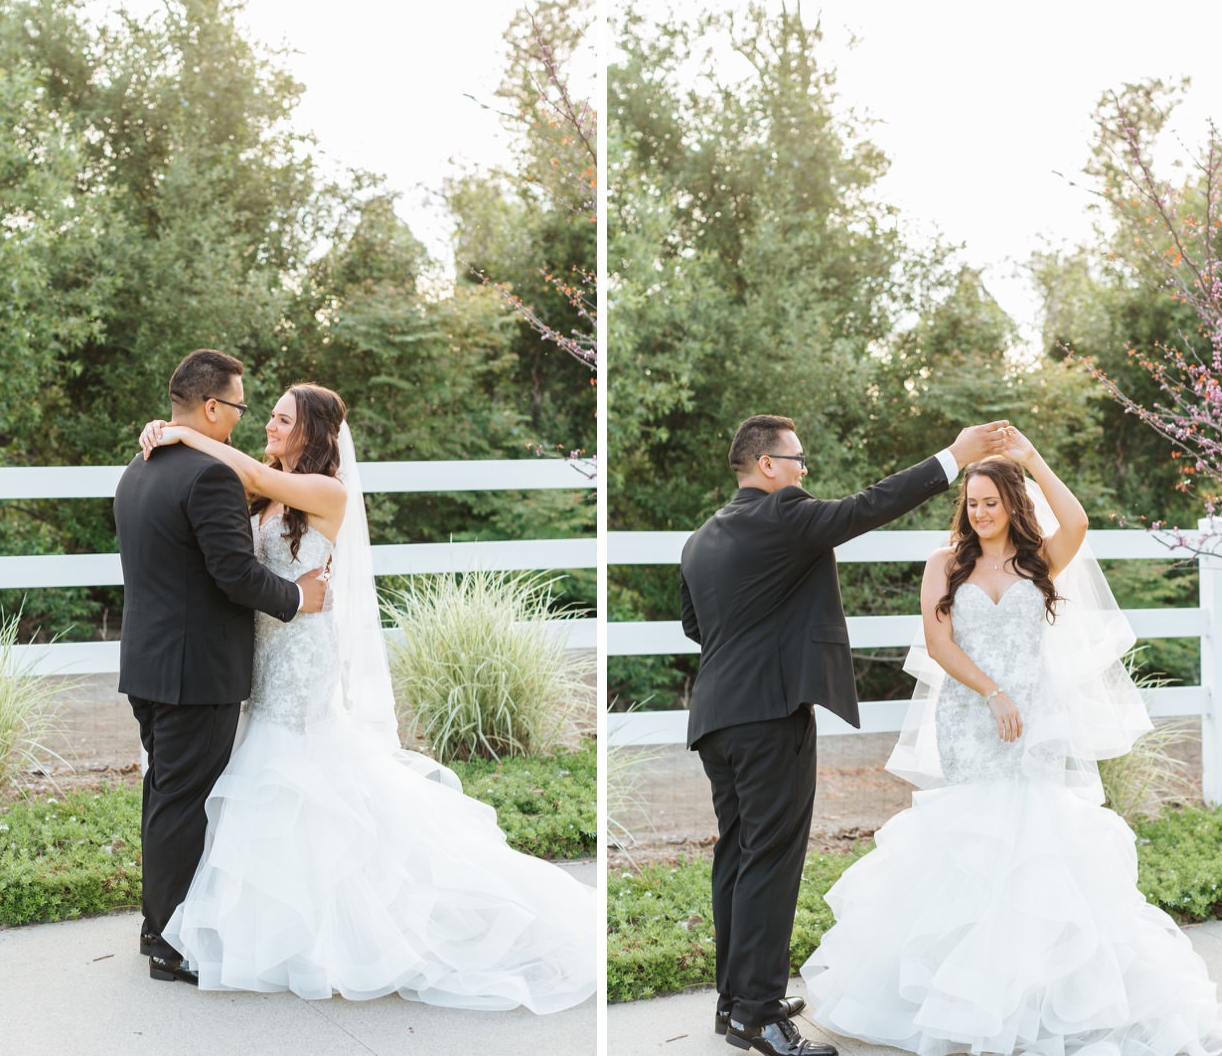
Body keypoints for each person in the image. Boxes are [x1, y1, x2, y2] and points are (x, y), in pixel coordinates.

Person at [134, 382, 596, 1012]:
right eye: (265, 416)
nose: (267, 427)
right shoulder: (262, 488)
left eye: (281, 420)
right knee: (249, 781)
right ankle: (241, 923)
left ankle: (314, 932)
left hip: (301, 658)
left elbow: (233, 465)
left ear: (315, 434)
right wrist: (171, 439)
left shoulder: (325, 491)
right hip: (263, 653)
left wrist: (184, 432)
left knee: (297, 772)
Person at [800, 428, 1222, 1055]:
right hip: (969, 714)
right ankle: (961, 998)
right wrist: (991, 692)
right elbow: (939, 645)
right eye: (972, 502)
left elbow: (1077, 518)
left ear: (1013, 503)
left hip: (1034, 719)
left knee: (1034, 840)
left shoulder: (1041, 562)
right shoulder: (943, 564)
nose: (980, 512)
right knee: (973, 843)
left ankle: (1035, 1001)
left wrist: (1033, 457)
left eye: (991, 501)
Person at [679, 414, 1010, 1056]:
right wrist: (953, 456)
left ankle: (735, 1002)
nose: (805, 470)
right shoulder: (784, 515)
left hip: (716, 719)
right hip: (770, 717)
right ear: (769, 465)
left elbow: (697, 627)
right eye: (798, 459)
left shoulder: (700, 539)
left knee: (738, 854)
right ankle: (760, 1015)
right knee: (772, 860)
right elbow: (869, 507)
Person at [113, 349, 330, 984]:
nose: (244, 418)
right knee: (184, 801)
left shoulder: (139, 467)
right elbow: (233, 574)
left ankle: (158, 924)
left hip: (148, 665)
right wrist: (296, 597)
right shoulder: (207, 477)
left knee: (164, 793)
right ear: (212, 406)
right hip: (196, 671)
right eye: (238, 406)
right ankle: (169, 942)